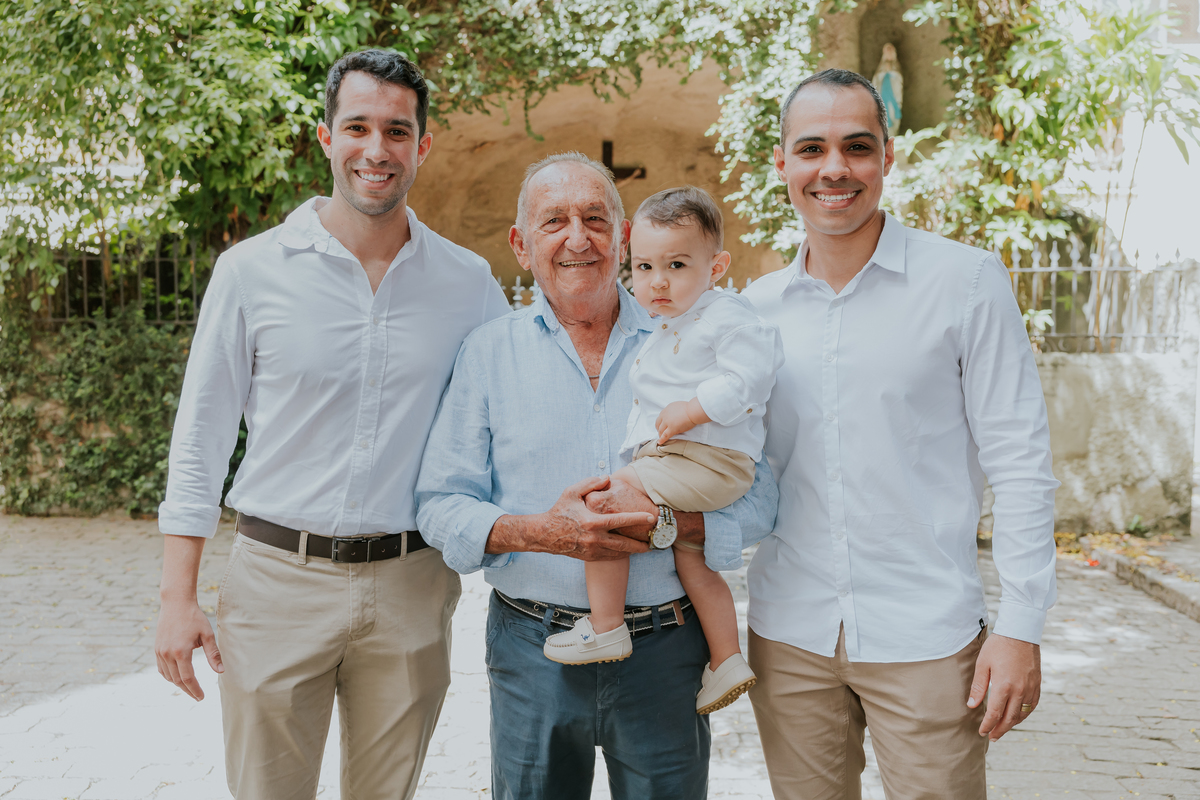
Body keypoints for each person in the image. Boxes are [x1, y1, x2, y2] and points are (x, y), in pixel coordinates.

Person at [153, 49, 511, 800]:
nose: (376, 150)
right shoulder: (252, 271)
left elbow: (509, 424)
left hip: (414, 583)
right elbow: (201, 437)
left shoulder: (468, 284)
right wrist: (176, 598)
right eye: (357, 127)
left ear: (423, 144)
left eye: (397, 130)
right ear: (325, 137)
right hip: (277, 580)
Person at [415, 153, 778, 800]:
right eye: (554, 220)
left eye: (595, 219)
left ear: (623, 236)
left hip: (666, 650)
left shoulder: (696, 339)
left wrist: (671, 524)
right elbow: (440, 505)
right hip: (533, 650)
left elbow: (763, 493)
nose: (578, 237)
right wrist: (545, 532)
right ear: (521, 247)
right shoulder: (487, 353)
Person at [740, 68, 1059, 799]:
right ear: (782, 163)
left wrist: (1021, 626)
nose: (834, 169)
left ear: (889, 156)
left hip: (928, 635)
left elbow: (1020, 465)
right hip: (790, 632)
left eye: (857, 146)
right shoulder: (754, 312)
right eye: (811, 148)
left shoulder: (967, 283)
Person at [542, 186, 784, 718]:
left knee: (606, 503)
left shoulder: (728, 316)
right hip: (688, 458)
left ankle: (606, 628)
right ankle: (726, 659)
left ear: (717, 266)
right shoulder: (670, 324)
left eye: (676, 264)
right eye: (645, 266)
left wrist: (693, 409)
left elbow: (751, 378)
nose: (658, 281)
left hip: (707, 457)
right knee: (691, 559)